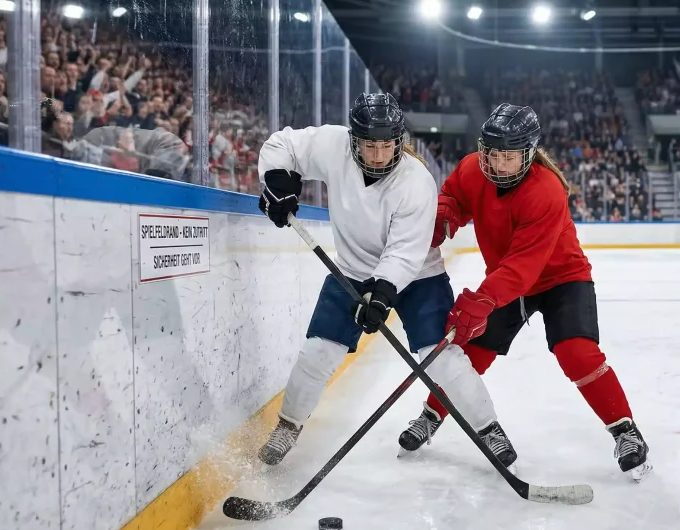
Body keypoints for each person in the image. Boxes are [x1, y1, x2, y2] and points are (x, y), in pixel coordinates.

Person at [256, 93, 518, 469]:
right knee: (318, 352)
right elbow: (283, 145)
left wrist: (381, 294)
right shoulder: (333, 145)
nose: (379, 155)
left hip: (418, 276)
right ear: (354, 140)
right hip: (352, 270)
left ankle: (488, 428)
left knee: (441, 359)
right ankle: (288, 425)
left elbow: (405, 252)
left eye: (386, 145)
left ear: (399, 141)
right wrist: (279, 180)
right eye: (369, 145)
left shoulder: (416, 182)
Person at [396, 103, 652, 481]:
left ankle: (625, 431)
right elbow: (454, 197)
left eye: (509, 156)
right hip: (508, 279)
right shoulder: (472, 169)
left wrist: (483, 300)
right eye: (492, 153)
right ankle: (431, 415)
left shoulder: (545, 190)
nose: (498, 164)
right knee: (470, 353)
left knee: (576, 352)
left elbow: (523, 266)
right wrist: (443, 218)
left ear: (529, 154)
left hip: (561, 279)